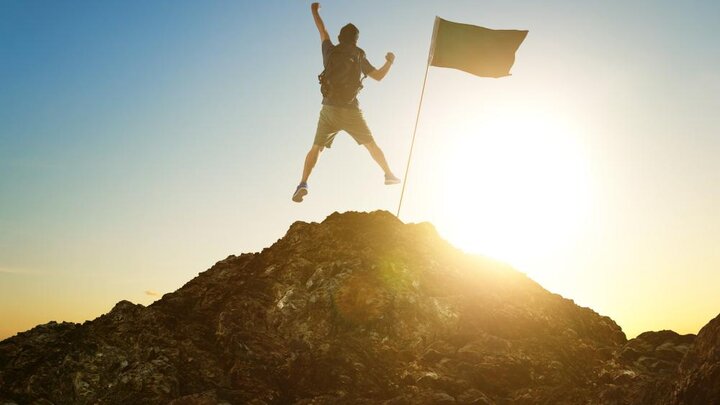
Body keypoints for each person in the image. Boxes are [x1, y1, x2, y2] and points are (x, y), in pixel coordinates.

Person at [292, 2, 401, 203]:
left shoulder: (330, 50)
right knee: (371, 145)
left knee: (317, 147)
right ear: (356, 40)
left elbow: (322, 30)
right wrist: (390, 61)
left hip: (329, 108)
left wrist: (314, 11)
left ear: (340, 37)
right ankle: (388, 174)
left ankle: (303, 183)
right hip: (351, 110)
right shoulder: (359, 54)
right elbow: (378, 76)